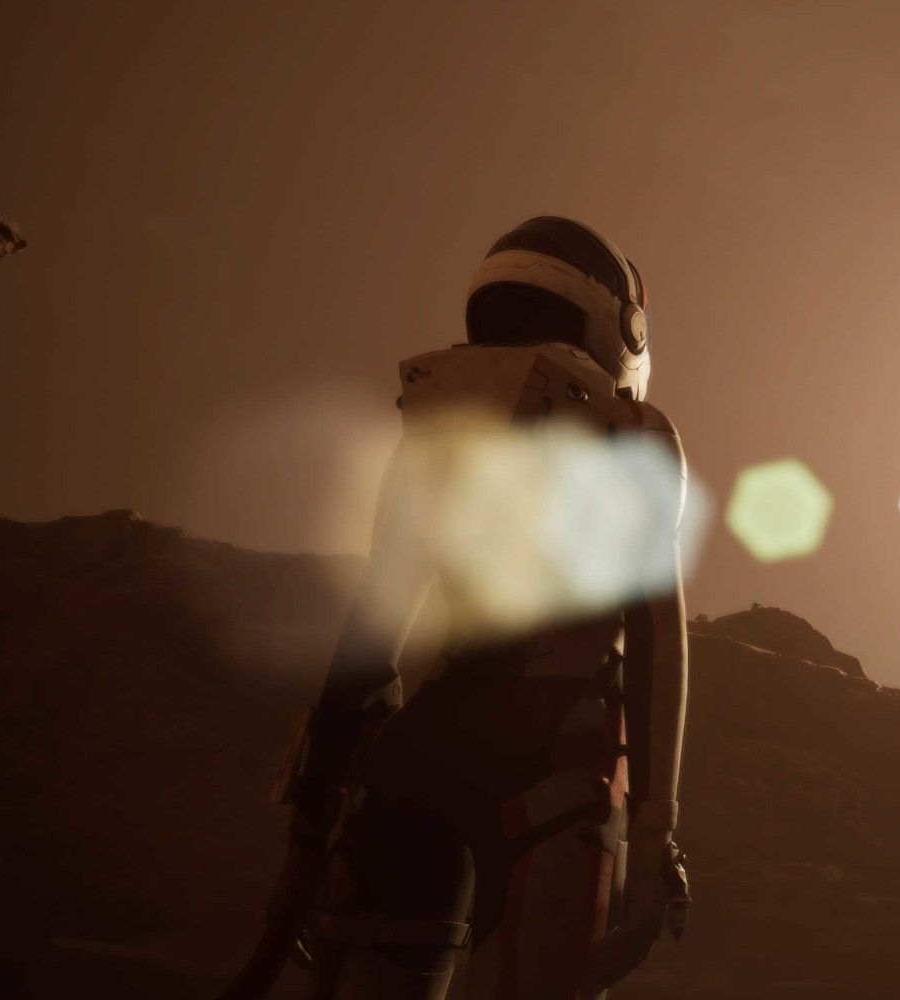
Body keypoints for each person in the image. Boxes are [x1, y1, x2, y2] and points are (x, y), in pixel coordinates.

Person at [235, 216, 690, 1000]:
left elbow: (369, 645)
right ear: (622, 321)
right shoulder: (629, 428)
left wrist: (320, 810)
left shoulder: (428, 430)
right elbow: (657, 639)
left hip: (417, 754)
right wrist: (655, 827)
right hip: (561, 752)